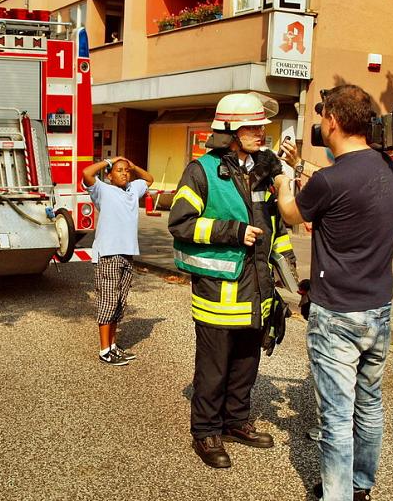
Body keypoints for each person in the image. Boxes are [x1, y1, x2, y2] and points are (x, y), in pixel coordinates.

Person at [274, 84, 393, 501]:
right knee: (369, 404)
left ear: (331, 121)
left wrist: (287, 178)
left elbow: (290, 214)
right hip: (379, 307)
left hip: (338, 314)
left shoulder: (328, 181)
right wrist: (307, 168)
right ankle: (361, 486)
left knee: (337, 416)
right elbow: (343, 185)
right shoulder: (388, 169)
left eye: (322, 114)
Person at [168, 92, 298, 469]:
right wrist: (232, 231)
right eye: (252, 127)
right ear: (229, 131)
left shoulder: (262, 171)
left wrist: (287, 270)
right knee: (214, 367)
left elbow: (274, 225)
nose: (261, 133)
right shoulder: (202, 171)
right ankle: (206, 431)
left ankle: (236, 420)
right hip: (218, 291)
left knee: (247, 360)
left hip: (257, 288)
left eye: (261, 126)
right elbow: (180, 223)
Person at [82, 156, 154, 366]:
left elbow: (149, 179)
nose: (124, 173)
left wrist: (134, 165)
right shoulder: (103, 190)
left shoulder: (133, 189)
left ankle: (113, 346)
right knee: (108, 302)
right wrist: (109, 160)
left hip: (127, 253)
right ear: (109, 176)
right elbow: (87, 173)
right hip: (108, 253)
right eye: (119, 170)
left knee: (119, 303)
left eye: (126, 171)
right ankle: (104, 350)